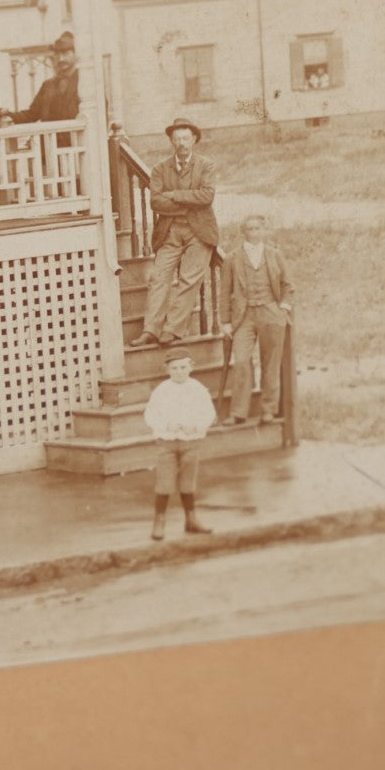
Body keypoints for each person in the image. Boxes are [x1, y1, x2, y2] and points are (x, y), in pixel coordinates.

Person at [133, 116, 220, 347]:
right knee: (158, 278)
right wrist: (187, 198)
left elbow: (206, 196)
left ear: (193, 140)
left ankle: (172, 330)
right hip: (170, 231)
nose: (181, 143)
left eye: (185, 138)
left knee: (189, 279)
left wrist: (174, 196)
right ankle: (151, 330)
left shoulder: (206, 166)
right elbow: (156, 202)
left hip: (198, 231)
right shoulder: (161, 169)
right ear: (171, 141)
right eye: (177, 139)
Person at [221, 214, 294, 424]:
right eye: (249, 229)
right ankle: (238, 412)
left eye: (257, 229)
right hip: (243, 317)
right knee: (242, 361)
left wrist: (283, 307)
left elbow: (287, 285)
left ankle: (268, 409)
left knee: (270, 363)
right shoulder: (232, 258)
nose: (253, 233)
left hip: (271, 313)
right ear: (243, 232)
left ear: (264, 231)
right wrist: (225, 321)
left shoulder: (274, 255)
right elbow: (225, 293)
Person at [142, 348, 217, 541]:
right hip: (167, 443)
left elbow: (208, 414)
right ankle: (159, 521)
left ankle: (191, 519)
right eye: (174, 368)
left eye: (183, 367)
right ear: (167, 369)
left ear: (191, 367)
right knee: (164, 482)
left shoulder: (198, 389)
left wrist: (196, 426)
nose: (179, 372)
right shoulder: (162, 391)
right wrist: (167, 425)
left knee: (188, 481)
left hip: (190, 442)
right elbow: (150, 415)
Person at [3, 31, 80, 125]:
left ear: (76, 54)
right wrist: (8, 114)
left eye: (66, 54)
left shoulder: (84, 82)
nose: (61, 59)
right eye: (57, 54)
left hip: (79, 138)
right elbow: (32, 114)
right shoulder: (48, 85)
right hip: (51, 139)